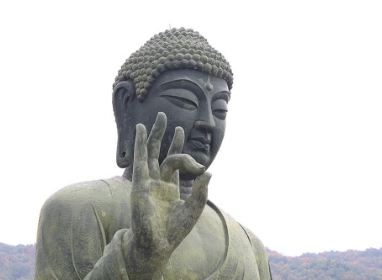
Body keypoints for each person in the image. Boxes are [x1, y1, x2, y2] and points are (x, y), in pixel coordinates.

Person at [35, 28, 272, 280]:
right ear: (126, 105)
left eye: (220, 109)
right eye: (185, 101)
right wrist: (139, 259)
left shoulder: (249, 244)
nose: (208, 122)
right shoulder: (79, 207)